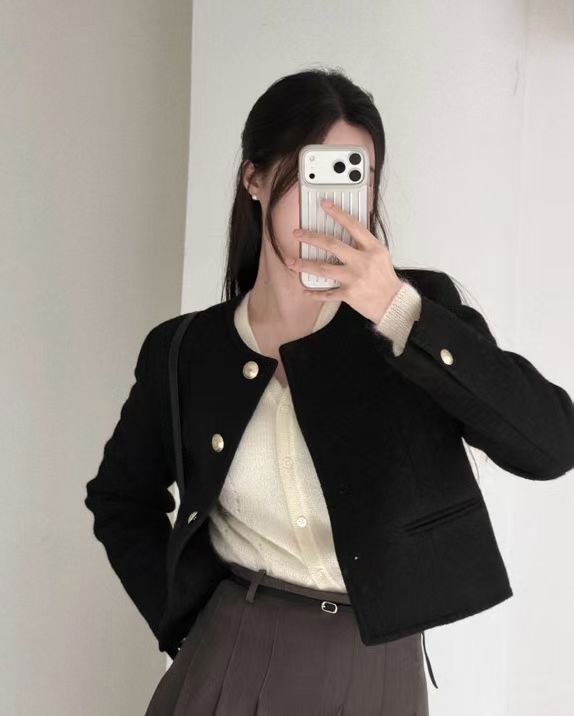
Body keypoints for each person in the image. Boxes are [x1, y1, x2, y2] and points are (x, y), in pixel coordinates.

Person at [85, 68, 574, 716]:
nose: (337, 202)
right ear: (254, 178)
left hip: (378, 669)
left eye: (354, 176)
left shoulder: (417, 317)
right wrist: (187, 625)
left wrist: (399, 311)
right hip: (231, 655)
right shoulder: (187, 349)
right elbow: (120, 498)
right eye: (311, 172)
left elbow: (551, 446)